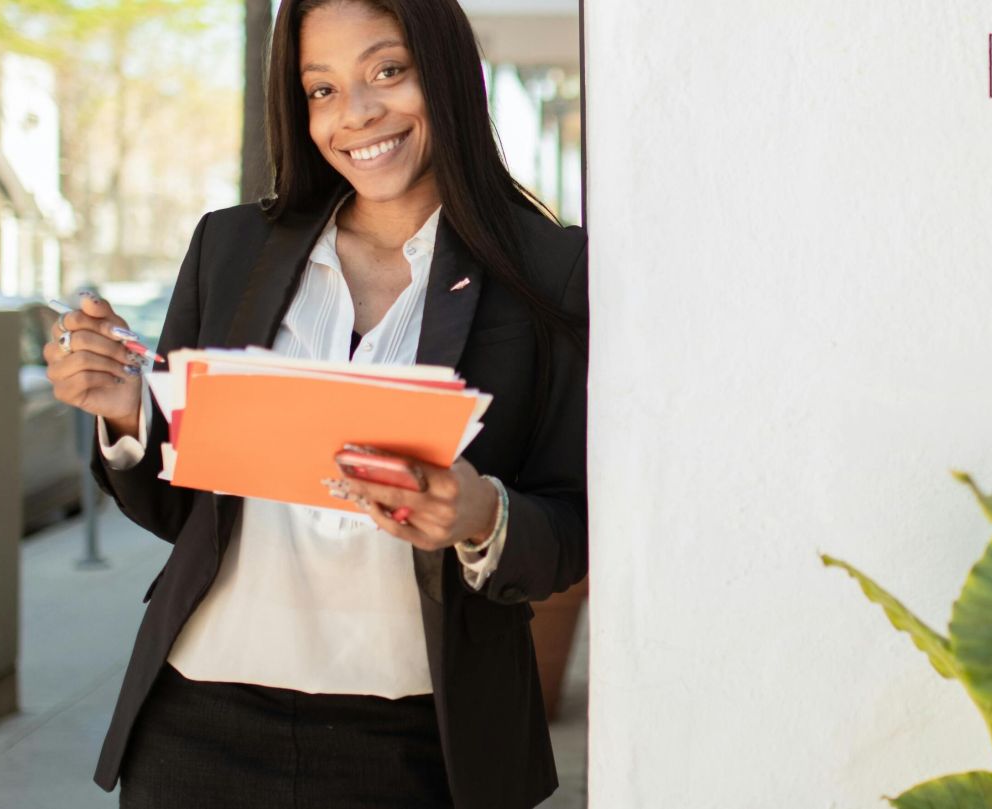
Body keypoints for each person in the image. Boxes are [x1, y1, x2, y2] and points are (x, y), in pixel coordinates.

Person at [41, 0, 587, 806]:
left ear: (446, 71)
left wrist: (481, 515)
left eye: (387, 71)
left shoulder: (550, 269)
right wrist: (128, 411)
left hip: (420, 745)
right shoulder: (231, 249)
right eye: (321, 89)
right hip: (196, 727)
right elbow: (180, 510)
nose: (356, 113)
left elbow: (576, 524)